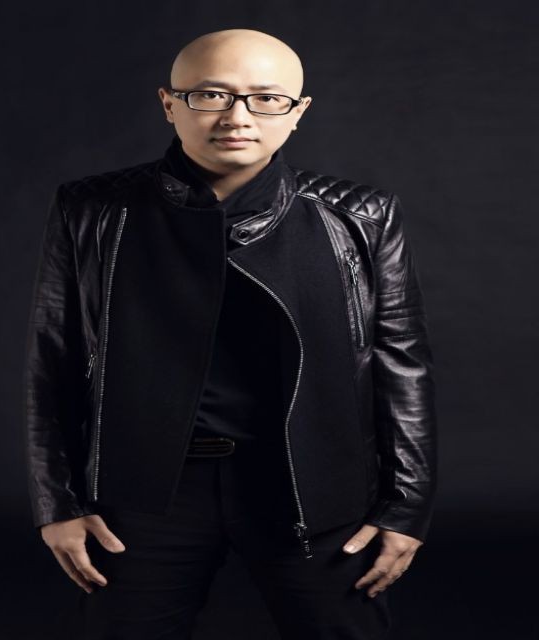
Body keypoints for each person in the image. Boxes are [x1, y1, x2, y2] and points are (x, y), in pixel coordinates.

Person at [23, 28, 437, 639]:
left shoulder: (363, 215)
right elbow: (53, 361)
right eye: (211, 94)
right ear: (169, 104)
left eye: (266, 98)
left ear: (298, 112)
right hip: (145, 492)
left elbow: (401, 366)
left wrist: (406, 505)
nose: (237, 117)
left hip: (312, 484)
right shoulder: (93, 209)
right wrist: (57, 503)